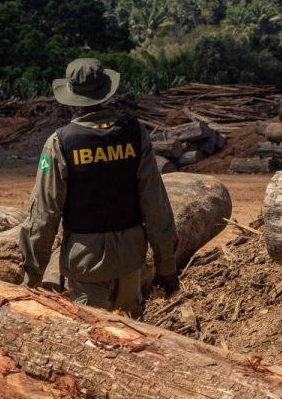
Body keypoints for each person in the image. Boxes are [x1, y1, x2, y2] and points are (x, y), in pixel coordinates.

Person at [19, 58, 178, 316]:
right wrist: (166, 266)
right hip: (130, 260)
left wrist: (33, 276)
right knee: (132, 338)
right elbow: (154, 202)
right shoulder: (134, 134)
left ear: (71, 98)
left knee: (95, 343)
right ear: (105, 92)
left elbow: (44, 214)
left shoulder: (60, 142)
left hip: (86, 264)